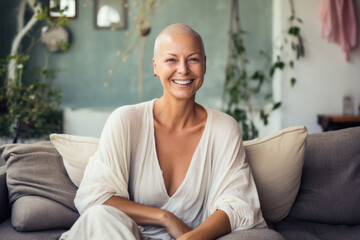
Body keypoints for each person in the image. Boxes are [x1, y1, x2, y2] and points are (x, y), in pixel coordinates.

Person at [60, 23, 266, 240]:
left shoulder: (224, 129)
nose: (183, 69)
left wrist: (193, 238)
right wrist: (165, 217)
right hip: (124, 235)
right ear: (156, 66)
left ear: (204, 65)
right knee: (98, 217)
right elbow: (95, 197)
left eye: (193, 59)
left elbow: (238, 205)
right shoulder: (126, 121)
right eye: (171, 60)